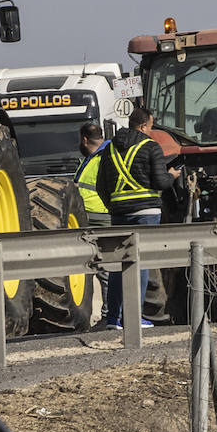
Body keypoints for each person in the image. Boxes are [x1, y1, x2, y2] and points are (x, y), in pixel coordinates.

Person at [96, 107, 179, 329]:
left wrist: (114, 206)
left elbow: (100, 185)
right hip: (146, 214)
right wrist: (171, 176)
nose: (151, 131)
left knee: (117, 265)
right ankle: (134, 317)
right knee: (141, 265)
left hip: (119, 214)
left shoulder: (110, 148)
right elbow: (161, 183)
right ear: (143, 126)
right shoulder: (151, 147)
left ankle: (113, 318)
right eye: (150, 127)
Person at [74, 121, 112, 320]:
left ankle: (110, 315)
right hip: (91, 216)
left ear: (84, 139)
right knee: (98, 268)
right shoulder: (94, 157)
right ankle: (108, 314)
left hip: (98, 216)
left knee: (105, 269)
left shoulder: (104, 155)